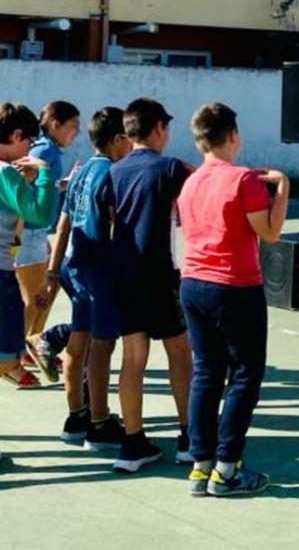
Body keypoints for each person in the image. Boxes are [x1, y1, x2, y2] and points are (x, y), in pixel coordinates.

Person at [177, 103, 290, 496]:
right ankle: (227, 467)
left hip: (193, 281)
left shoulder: (190, 182)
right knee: (244, 373)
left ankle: (200, 463)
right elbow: (271, 232)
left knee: (207, 372)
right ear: (233, 136)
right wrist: (283, 188)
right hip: (234, 285)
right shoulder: (244, 179)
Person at [100, 97, 193, 473]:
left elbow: (108, 219)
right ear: (158, 129)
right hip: (159, 273)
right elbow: (198, 193)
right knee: (179, 354)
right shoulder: (170, 168)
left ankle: (133, 441)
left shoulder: (113, 172)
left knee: (132, 359)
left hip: (125, 274)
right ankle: (190, 437)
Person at [39, 108, 131, 450]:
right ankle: (100, 421)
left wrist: (52, 271)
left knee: (79, 342)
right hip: (99, 269)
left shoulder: (80, 170)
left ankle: (76, 415)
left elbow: (62, 223)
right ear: (119, 139)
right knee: (102, 346)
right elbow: (114, 225)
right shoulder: (113, 174)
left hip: (73, 265)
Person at [7, 101, 79, 387]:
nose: (75, 134)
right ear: (55, 124)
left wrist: (63, 183)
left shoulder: (46, 150)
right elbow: (25, 185)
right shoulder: (43, 150)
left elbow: (38, 186)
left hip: (36, 233)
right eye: (72, 127)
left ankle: (28, 346)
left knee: (41, 294)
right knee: (35, 296)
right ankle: (18, 351)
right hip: (29, 234)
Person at [0, 104, 58, 390]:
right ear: (16, 135)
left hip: (5, 264)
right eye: (28, 143)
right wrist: (45, 174)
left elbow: (17, 220)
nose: (29, 151)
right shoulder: (5, 174)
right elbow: (39, 213)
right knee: (7, 351)